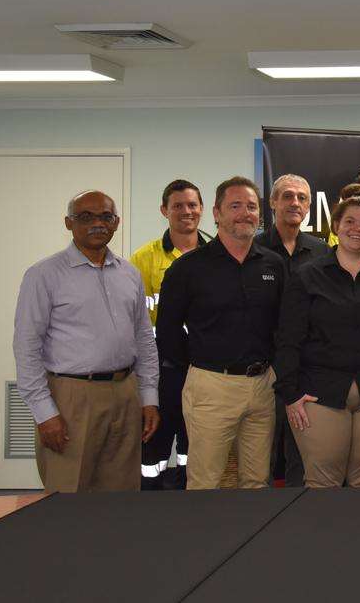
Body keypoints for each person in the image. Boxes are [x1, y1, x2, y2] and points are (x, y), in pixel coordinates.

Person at [13, 190, 160, 491]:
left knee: (121, 495)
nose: (97, 223)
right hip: (70, 398)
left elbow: (144, 340)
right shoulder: (44, 275)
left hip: (124, 393)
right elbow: (27, 347)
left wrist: (149, 398)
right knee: (68, 494)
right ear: (69, 223)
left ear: (116, 222)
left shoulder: (129, 274)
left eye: (106, 216)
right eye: (86, 217)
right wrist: (44, 413)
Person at [273, 192, 360, 488]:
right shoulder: (307, 276)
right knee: (323, 482)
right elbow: (287, 339)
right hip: (318, 395)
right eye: (349, 221)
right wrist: (290, 393)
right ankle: (322, 536)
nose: (357, 229)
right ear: (336, 225)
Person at [156, 176, 287, 490]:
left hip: (262, 386)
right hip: (211, 385)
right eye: (235, 206)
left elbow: (284, 325)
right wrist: (199, 364)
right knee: (206, 482)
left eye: (252, 207)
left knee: (256, 481)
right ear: (216, 213)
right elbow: (168, 331)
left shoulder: (274, 265)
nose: (245, 213)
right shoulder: (188, 268)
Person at [131, 179, 209, 489]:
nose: (186, 211)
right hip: (160, 371)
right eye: (177, 205)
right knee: (153, 453)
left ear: (202, 210)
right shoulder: (143, 259)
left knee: (196, 452)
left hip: (204, 371)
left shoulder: (217, 256)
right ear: (165, 210)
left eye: (192, 205)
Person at [255, 173, 330, 487]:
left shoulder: (322, 251)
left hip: (305, 369)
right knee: (261, 457)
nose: (294, 203)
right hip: (261, 370)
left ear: (309, 207)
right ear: (272, 202)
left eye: (302, 198)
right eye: (287, 196)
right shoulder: (253, 247)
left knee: (304, 456)